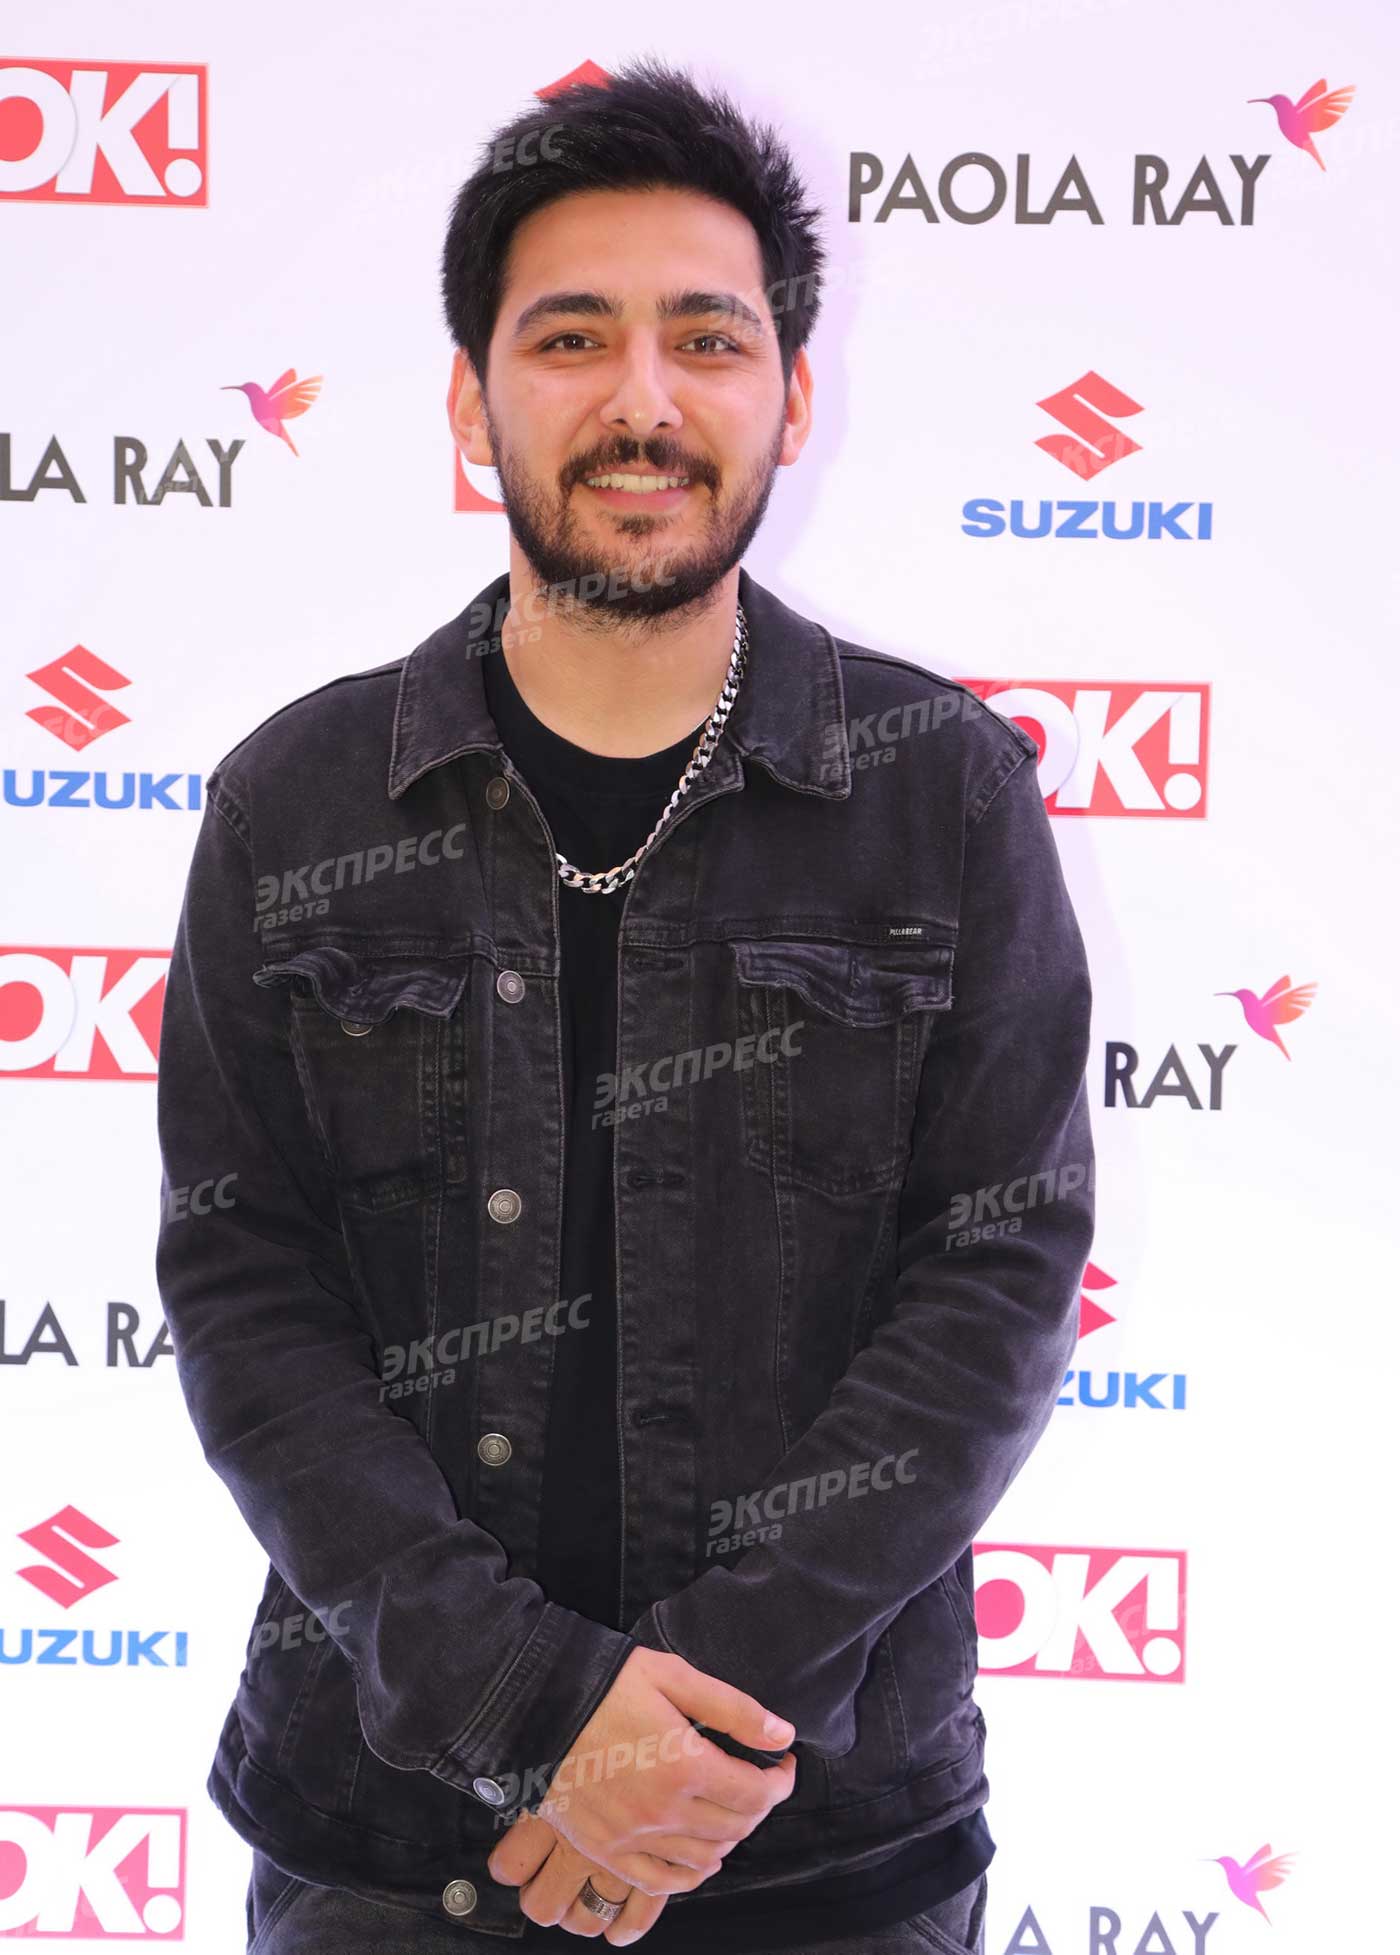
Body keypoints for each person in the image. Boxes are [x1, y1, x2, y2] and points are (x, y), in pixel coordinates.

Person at [155, 55, 1094, 1955]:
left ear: (793, 395)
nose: (643, 401)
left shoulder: (944, 792)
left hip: (818, 1834)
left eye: (707, 339)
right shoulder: (298, 808)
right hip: (390, 1838)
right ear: (470, 399)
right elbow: (248, 1294)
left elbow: (993, 1281)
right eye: (571, 336)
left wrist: (684, 1731)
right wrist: (529, 1712)